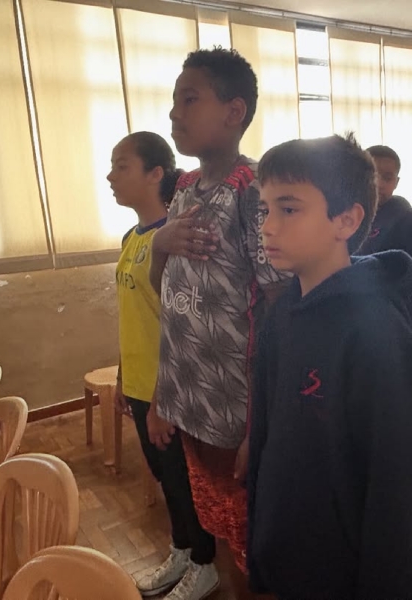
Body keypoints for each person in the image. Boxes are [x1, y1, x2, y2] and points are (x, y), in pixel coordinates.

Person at [247, 134, 412, 600]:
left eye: (288, 208)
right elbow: (271, 440)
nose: (268, 227)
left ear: (347, 220)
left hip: (348, 574)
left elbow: (400, 487)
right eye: (264, 209)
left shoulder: (378, 336)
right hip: (293, 553)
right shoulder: (284, 312)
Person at [148, 48, 287, 600]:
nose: (174, 112)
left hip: (237, 411)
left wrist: (263, 422)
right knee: (219, 529)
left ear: (234, 112)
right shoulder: (184, 188)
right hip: (192, 403)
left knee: (252, 543)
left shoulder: (251, 192)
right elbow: (169, 295)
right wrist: (160, 244)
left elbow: (277, 309)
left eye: (189, 99)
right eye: (174, 100)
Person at [108, 132, 216, 599]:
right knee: (165, 478)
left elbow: (181, 326)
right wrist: (122, 376)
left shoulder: (173, 241)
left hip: (168, 390)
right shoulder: (132, 238)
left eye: (122, 166)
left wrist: (161, 401)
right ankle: (181, 550)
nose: (110, 176)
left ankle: (205, 564)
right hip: (139, 383)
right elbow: (134, 314)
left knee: (184, 482)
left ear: (156, 174)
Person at [356, 145, 412, 331]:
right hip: (358, 316)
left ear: (396, 182)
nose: (379, 184)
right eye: (372, 176)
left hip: (396, 322)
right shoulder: (350, 217)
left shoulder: (410, 222)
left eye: (387, 178)